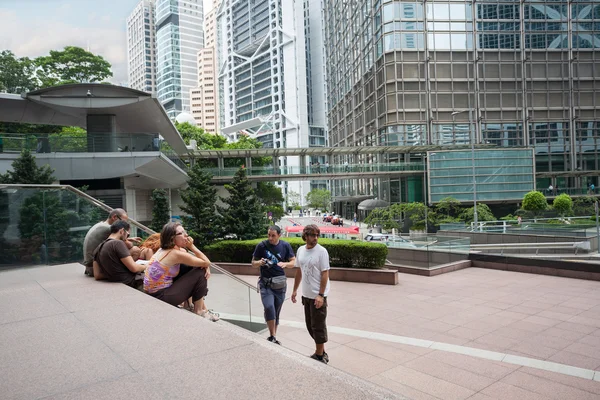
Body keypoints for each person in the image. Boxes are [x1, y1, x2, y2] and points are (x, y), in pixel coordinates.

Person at [144, 222, 218, 321]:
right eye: (181, 233)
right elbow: (207, 262)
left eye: (185, 232)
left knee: (190, 267)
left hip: (153, 294)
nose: (186, 235)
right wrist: (192, 247)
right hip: (160, 297)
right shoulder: (174, 254)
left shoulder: (165, 249)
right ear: (172, 238)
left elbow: (201, 263)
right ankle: (199, 311)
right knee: (199, 272)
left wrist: (204, 265)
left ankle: (192, 305)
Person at [292, 224, 331, 364]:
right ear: (305, 236)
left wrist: (321, 295)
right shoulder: (301, 250)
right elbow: (299, 271)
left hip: (317, 296)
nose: (315, 238)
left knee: (318, 325)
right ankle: (322, 351)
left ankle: (319, 356)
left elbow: (325, 274)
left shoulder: (322, 252)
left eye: (317, 235)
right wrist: (295, 289)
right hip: (306, 295)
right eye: (312, 235)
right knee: (310, 325)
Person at [251, 225, 295, 345]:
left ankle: (273, 336)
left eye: (273, 235)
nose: (270, 238)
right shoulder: (261, 246)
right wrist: (259, 262)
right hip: (266, 283)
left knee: (276, 310)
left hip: (280, 284)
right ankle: (272, 335)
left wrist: (285, 264)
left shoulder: (285, 246)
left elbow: (293, 261)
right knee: (269, 307)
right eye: (269, 235)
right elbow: (253, 263)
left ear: (279, 235)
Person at [82, 208, 141, 277]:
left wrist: (128, 238)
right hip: (94, 269)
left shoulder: (101, 225)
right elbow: (129, 245)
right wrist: (127, 239)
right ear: (114, 217)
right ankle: (122, 272)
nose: (123, 224)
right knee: (135, 250)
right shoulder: (109, 229)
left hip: (89, 266)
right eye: (123, 221)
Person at [92, 220, 146, 289]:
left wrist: (114, 273)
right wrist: (146, 266)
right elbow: (134, 268)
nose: (126, 238)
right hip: (132, 283)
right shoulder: (118, 243)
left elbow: (97, 275)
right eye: (128, 235)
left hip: (117, 283)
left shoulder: (99, 247)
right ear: (122, 231)